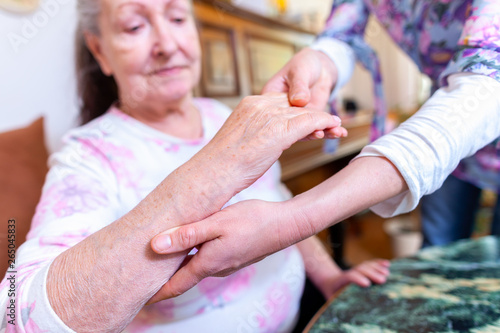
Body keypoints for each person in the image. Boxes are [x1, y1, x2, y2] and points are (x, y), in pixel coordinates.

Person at [0, 0, 390, 331]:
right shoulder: (87, 155)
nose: (167, 44)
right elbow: (16, 317)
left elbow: (276, 198)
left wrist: (328, 277)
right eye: (134, 26)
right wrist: (218, 166)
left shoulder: (221, 113)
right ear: (100, 51)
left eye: (177, 18)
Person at [148, 0, 500, 301]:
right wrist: (320, 61)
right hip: (452, 138)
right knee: (438, 246)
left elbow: (487, 82)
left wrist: (294, 220)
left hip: (468, 116)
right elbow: (341, 35)